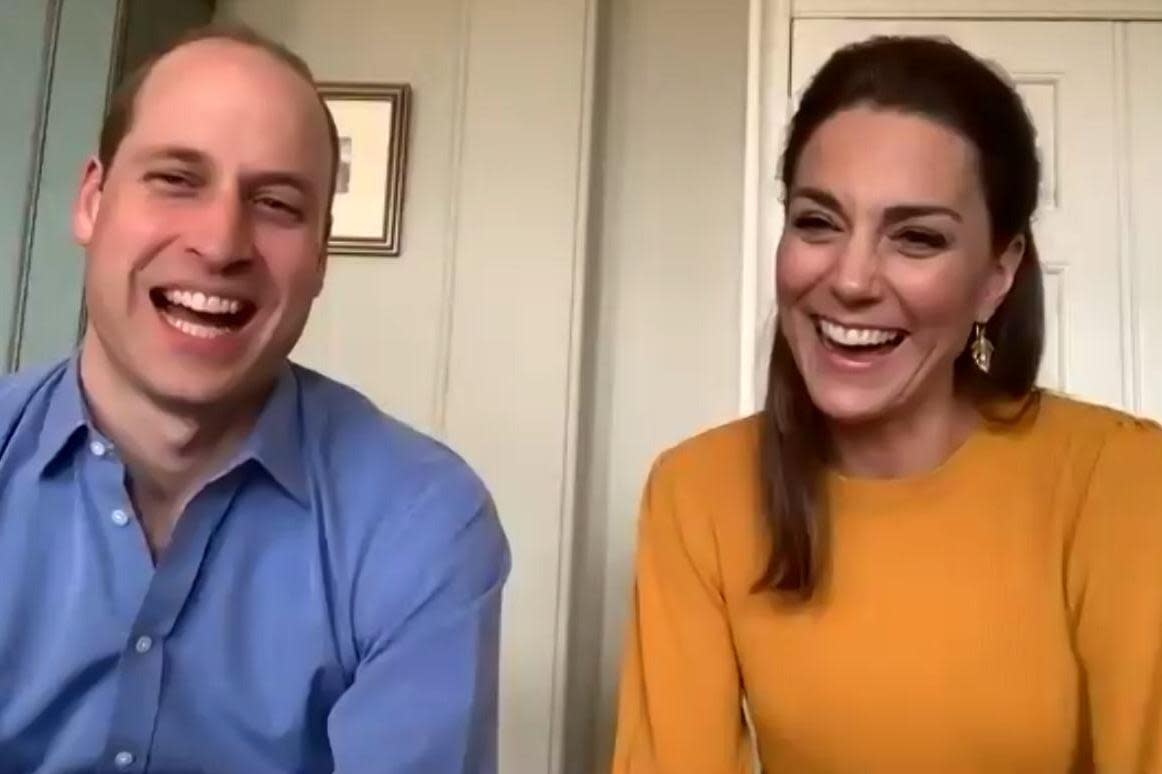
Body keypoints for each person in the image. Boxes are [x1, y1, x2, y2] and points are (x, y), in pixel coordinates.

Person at [611, 35, 1162, 773]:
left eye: (917, 238)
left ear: (998, 273)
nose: (852, 280)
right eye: (818, 222)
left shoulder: (1124, 481)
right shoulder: (699, 492)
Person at [0, 24, 510, 774]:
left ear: (321, 255)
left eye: (275, 203)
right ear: (90, 202)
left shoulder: (421, 519)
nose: (221, 242)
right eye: (176, 179)